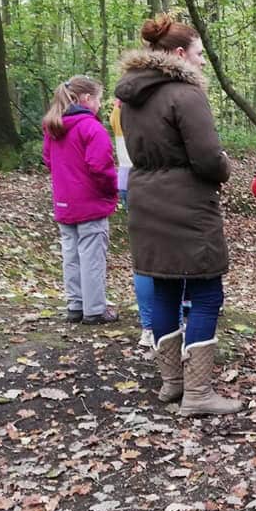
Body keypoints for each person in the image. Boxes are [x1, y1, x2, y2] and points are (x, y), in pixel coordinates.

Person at [115, 14, 241, 417]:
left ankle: (172, 382)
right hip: (187, 205)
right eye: (200, 55)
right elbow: (206, 159)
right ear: (180, 54)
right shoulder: (185, 94)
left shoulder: (130, 97)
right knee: (207, 292)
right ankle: (199, 392)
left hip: (146, 201)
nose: (202, 62)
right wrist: (224, 166)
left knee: (166, 288)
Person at [42, 76, 118, 326]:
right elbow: (101, 167)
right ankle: (95, 309)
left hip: (65, 202)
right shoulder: (91, 128)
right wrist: (111, 190)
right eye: (98, 99)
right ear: (86, 99)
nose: (99, 105)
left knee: (71, 254)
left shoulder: (54, 127)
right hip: (90, 203)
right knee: (92, 256)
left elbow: (49, 161)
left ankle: (76, 304)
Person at [111, 98, 154, 348]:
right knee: (157, 256)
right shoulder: (147, 106)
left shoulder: (119, 109)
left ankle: (149, 326)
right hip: (149, 181)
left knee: (143, 255)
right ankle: (161, 324)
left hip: (127, 180)